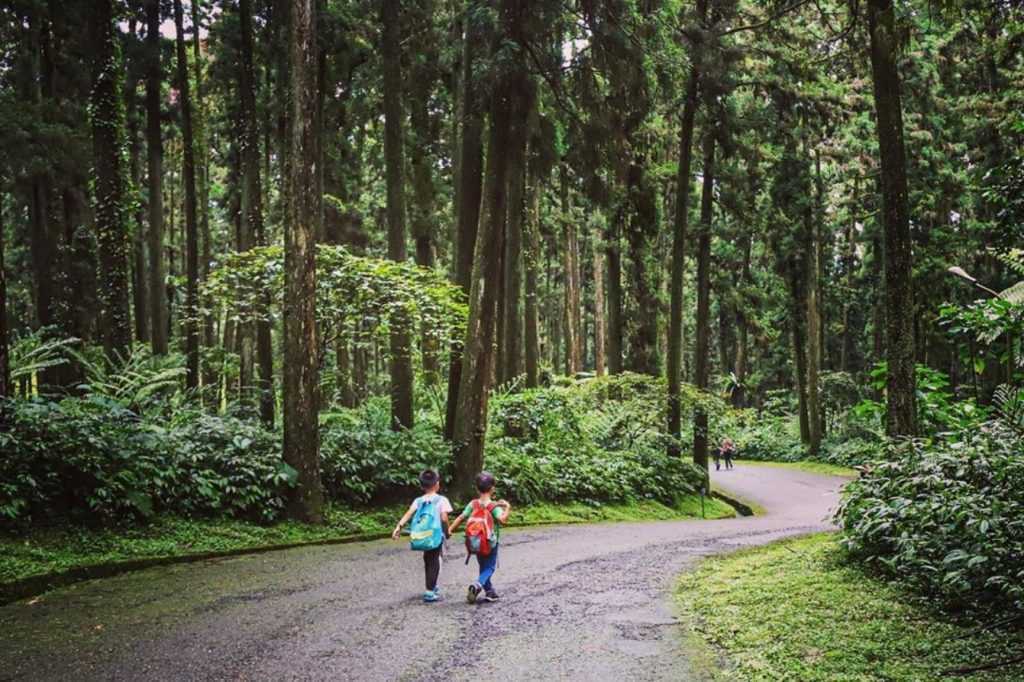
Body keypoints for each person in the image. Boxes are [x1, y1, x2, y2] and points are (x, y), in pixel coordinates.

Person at [448, 471, 511, 604]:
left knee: (483, 566)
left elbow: (461, 517)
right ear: (492, 488)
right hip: (489, 542)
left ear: (477, 488)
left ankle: (490, 592)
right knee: (490, 568)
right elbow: (502, 520)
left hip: (474, 541)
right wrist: (507, 507)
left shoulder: (473, 504)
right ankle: (477, 585)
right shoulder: (492, 506)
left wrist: (450, 529)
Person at [392, 469, 453, 602]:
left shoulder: (418, 501)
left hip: (422, 535)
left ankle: (431, 586)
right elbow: (444, 518)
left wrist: (399, 526)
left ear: (421, 486)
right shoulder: (441, 500)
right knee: (435, 561)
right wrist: (447, 532)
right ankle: (430, 591)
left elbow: (409, 513)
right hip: (435, 535)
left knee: (428, 560)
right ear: (437, 484)